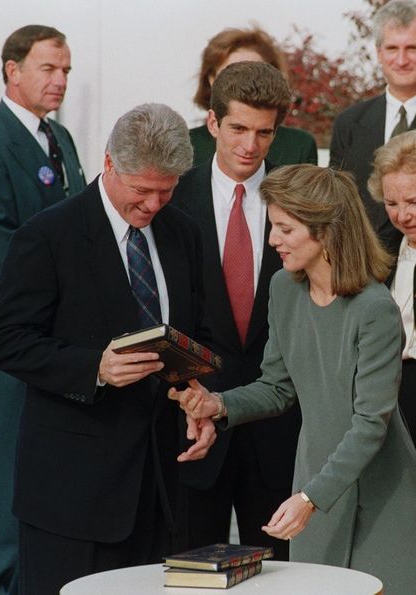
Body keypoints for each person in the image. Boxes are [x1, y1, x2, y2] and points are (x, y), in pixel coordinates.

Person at [0, 103, 216, 595]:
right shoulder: (47, 236)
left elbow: (197, 334)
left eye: (166, 190)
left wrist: (198, 397)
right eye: (142, 189)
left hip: (160, 490)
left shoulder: (185, 233)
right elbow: (5, 341)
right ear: (109, 163)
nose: (154, 204)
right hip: (72, 495)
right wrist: (95, 368)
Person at [170, 164, 416, 595]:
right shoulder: (284, 288)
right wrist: (219, 404)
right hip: (313, 481)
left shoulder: (375, 309)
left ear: (325, 231)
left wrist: (309, 499)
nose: (271, 240)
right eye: (273, 226)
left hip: (380, 494)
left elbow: (370, 424)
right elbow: (277, 386)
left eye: (285, 228)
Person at [0, 25, 86, 595]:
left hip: (63, 327)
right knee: (3, 450)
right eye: (47, 69)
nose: (59, 81)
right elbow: (0, 241)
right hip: (18, 328)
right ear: (12, 69)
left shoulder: (59, 139)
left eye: (65, 71)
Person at [172, 61, 300, 560]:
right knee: (188, 572)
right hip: (192, 422)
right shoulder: (175, 200)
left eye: (264, 132)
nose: (250, 145)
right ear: (212, 123)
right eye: (239, 129)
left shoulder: (300, 203)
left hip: (281, 429)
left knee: (283, 578)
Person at [329, 0, 416, 236]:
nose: (401, 60)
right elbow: (338, 206)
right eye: (392, 49)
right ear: (378, 53)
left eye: (412, 48)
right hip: (366, 265)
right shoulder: (348, 123)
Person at [189, 26, 317, 167]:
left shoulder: (298, 145)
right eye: (232, 74)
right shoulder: (185, 145)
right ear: (211, 79)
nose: (246, 82)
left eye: (257, 73)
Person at [368, 130, 416, 446]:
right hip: (391, 396)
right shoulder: (381, 251)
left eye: (413, 201)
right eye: (391, 203)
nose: (402, 215)